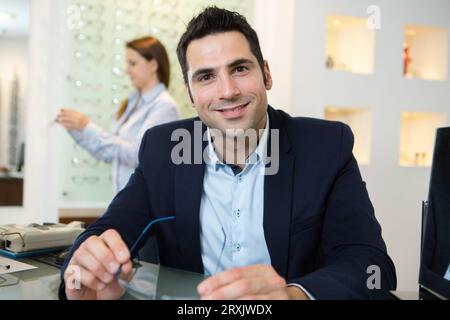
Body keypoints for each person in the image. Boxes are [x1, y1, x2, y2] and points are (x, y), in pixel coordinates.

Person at [59, 7, 396, 300]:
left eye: (239, 69)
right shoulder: (164, 149)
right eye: (206, 76)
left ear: (266, 73)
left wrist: (293, 295)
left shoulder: (324, 147)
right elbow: (107, 229)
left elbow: (371, 266)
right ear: (190, 92)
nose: (228, 91)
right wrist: (81, 270)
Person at [57, 36, 179, 193]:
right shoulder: (131, 103)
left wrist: (87, 126)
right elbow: (109, 153)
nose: (127, 70)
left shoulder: (164, 107)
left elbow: (138, 154)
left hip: (146, 206)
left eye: (132, 63)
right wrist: (77, 129)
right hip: (124, 200)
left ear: (153, 65)